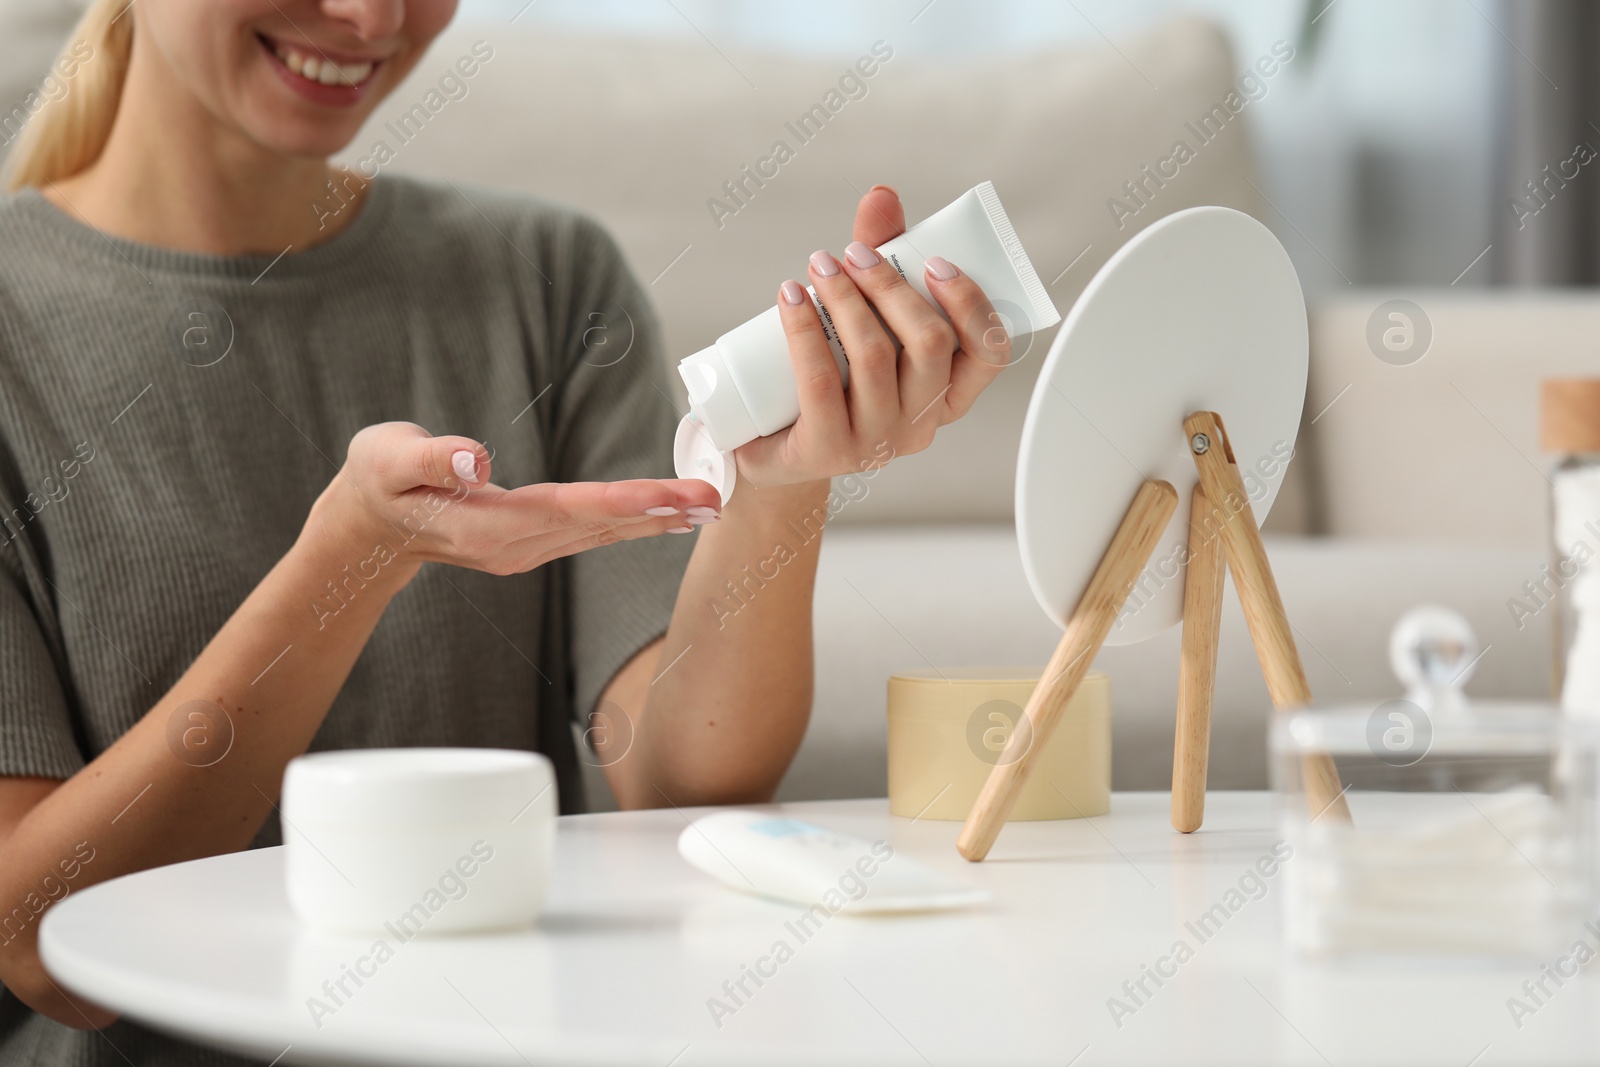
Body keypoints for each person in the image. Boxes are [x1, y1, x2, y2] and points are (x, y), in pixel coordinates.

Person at [0, 0, 1012, 1061]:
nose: (370, 16)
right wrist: (349, 562)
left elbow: (677, 780)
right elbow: (35, 940)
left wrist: (786, 484)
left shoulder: (545, 277)